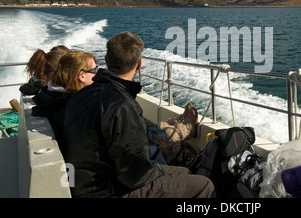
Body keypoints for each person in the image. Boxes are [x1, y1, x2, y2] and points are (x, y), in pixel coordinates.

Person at [62, 32, 215, 198]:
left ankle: (173, 131)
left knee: (184, 172)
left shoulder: (80, 96)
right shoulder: (122, 105)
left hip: (88, 183)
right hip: (106, 190)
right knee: (204, 185)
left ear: (106, 60)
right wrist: (156, 170)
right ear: (139, 64)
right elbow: (134, 175)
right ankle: (174, 131)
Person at [32, 51, 97, 144]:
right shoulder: (78, 108)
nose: (97, 74)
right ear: (81, 76)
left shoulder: (49, 96)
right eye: (94, 70)